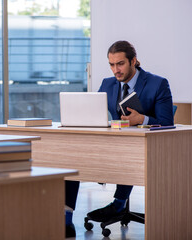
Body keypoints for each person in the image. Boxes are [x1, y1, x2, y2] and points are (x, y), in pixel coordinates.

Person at [65, 40, 174, 237]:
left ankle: (119, 203)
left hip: (144, 150)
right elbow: (93, 112)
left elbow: (168, 122)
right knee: (71, 157)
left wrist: (143, 119)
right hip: (113, 144)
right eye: (112, 65)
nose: (116, 70)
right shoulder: (108, 84)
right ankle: (66, 218)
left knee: (128, 153)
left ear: (134, 61)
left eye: (120, 64)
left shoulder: (158, 84)